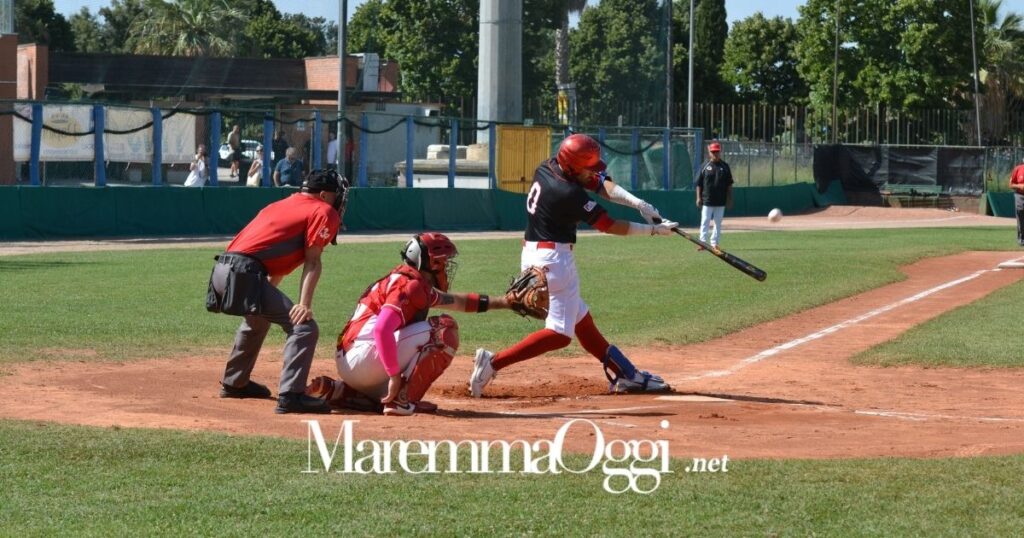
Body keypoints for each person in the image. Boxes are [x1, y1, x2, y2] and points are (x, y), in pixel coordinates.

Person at [469, 133, 677, 398]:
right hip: (554, 263)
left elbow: (599, 183)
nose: (593, 173)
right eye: (587, 167)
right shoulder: (567, 192)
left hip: (534, 255)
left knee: (582, 321)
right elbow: (609, 225)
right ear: (572, 166)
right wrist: (653, 231)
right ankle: (493, 362)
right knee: (559, 334)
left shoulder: (548, 166)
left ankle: (626, 375)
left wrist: (638, 203)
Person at [307, 233, 517, 416]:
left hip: (353, 360)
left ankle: (341, 391)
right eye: (442, 261)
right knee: (444, 329)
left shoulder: (410, 281)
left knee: (424, 336)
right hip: (363, 358)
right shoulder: (410, 286)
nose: (446, 266)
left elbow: (458, 301)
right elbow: (382, 329)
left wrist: (506, 303)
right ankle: (402, 400)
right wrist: (393, 375)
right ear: (430, 263)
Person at [205, 169, 349, 414]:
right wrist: (304, 305)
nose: (339, 202)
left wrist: (265, 295)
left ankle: (235, 382)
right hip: (245, 272)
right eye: (337, 196)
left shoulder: (282, 204)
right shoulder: (323, 210)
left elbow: (271, 259)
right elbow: (312, 261)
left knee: (257, 319)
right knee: (304, 327)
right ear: (324, 195)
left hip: (223, 271)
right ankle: (291, 396)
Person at [695, 141, 733, 251]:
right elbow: (699, 184)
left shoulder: (725, 166)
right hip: (707, 199)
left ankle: (714, 243)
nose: (715, 153)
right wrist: (698, 197)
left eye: (717, 151)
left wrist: (729, 199)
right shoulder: (705, 166)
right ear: (709, 153)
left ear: (720, 152)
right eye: (713, 152)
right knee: (705, 221)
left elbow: (729, 184)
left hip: (721, 200)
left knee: (718, 223)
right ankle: (702, 242)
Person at [1010, 156, 1024, 246]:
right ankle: (1021, 238)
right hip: (1020, 195)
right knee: (1021, 215)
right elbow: (1010, 184)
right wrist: (1020, 186)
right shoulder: (1018, 169)